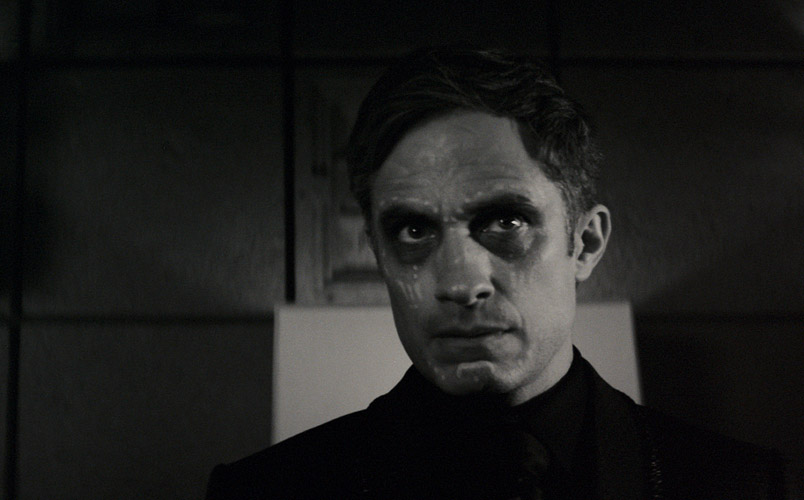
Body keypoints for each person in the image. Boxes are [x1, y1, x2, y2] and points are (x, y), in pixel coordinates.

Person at [206, 46, 798, 499]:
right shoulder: (264, 492)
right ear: (379, 254)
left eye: (507, 222)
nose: (461, 284)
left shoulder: (738, 485)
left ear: (586, 242)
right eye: (412, 231)